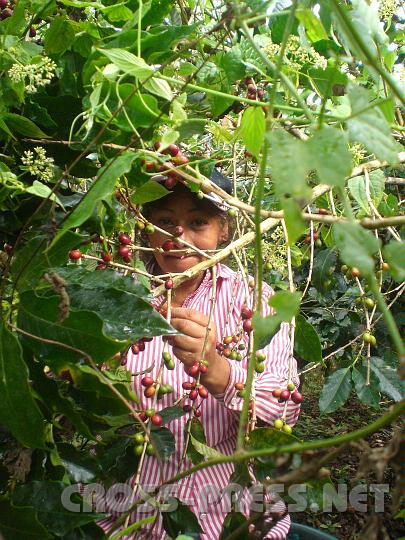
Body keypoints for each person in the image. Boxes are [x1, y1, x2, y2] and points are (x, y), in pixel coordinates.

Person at [98, 170, 301, 539]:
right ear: (145, 228)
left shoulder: (254, 302)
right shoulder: (117, 294)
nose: (179, 238)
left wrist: (221, 373)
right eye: (164, 221)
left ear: (223, 229)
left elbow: (285, 408)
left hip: (225, 513)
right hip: (127, 512)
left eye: (197, 222)